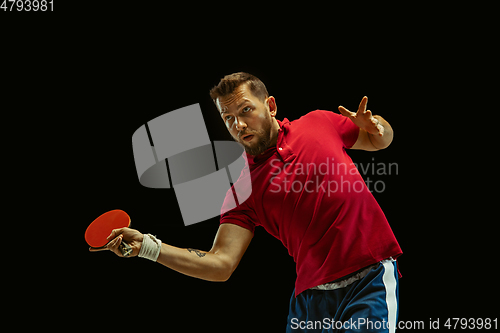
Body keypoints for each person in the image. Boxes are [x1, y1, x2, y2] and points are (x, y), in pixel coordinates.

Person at [90, 72, 402, 332]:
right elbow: (221, 263)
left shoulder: (318, 123)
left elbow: (379, 139)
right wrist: (148, 246)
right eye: (228, 118)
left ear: (271, 105)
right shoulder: (241, 190)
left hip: (367, 279)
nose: (238, 125)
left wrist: (379, 126)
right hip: (310, 302)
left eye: (245, 111)